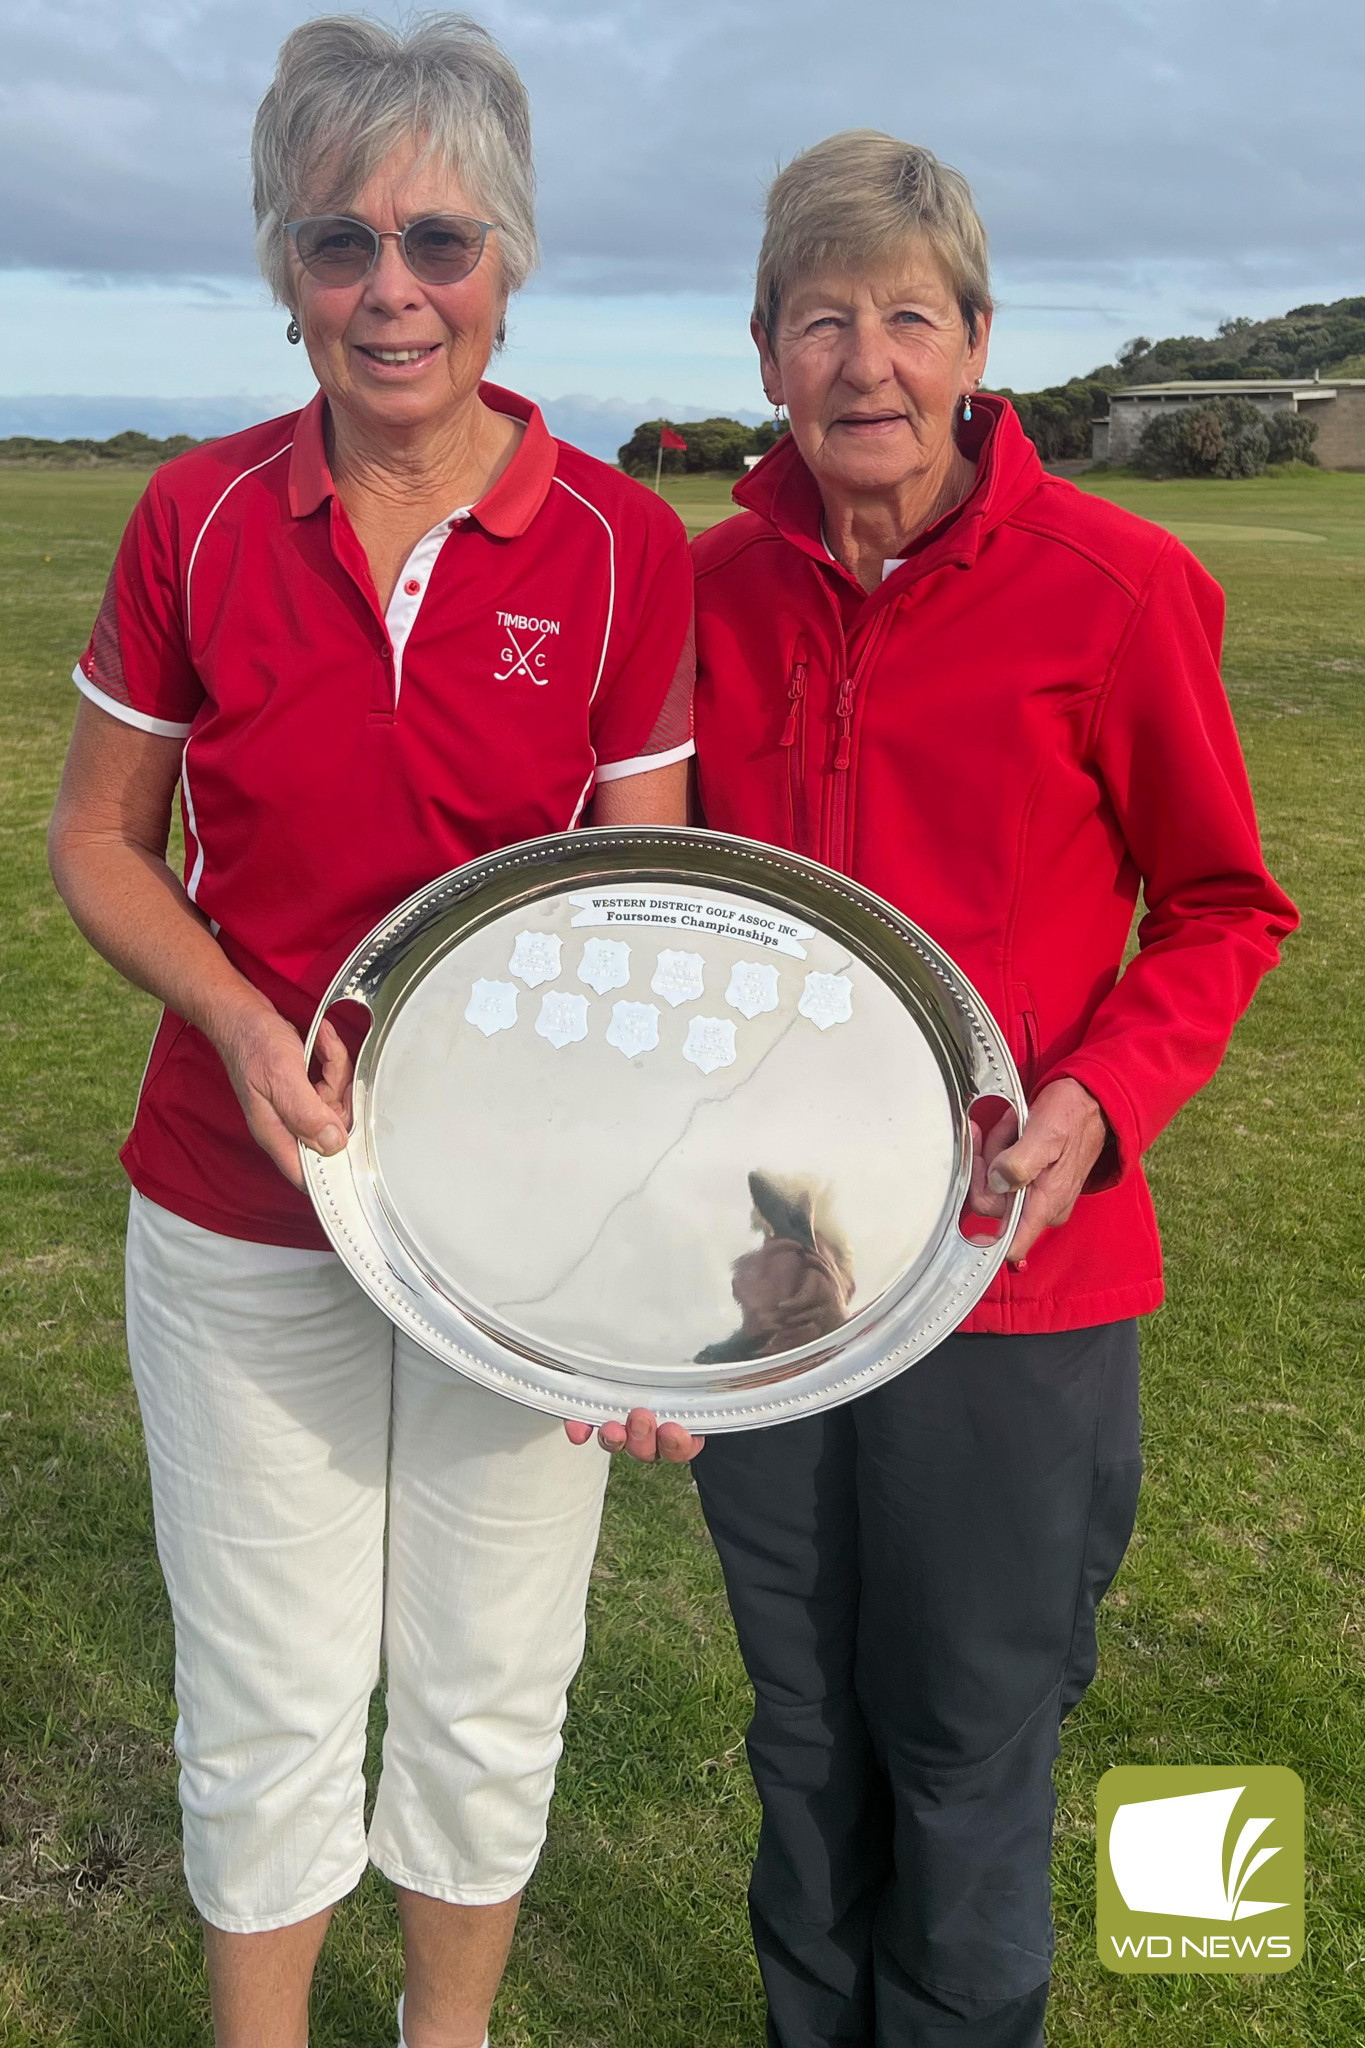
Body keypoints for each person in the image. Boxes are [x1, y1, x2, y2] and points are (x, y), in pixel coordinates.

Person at [47, 16, 698, 2048]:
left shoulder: (615, 544)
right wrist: (243, 1021)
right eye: (339, 244)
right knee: (266, 1680)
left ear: (503, 260)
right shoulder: (201, 518)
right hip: (243, 1198)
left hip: (509, 1233)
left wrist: (639, 1280)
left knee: (492, 1679)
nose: (389, 291)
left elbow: (639, 935)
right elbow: (97, 843)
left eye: (436, 240)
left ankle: (447, 2036)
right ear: (282, 265)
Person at [689, 131, 1298, 2048]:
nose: (865, 362)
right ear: (766, 354)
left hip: (1015, 1274)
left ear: (972, 345)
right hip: (768, 1275)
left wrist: (1099, 1098)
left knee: (965, 1728)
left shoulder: (1111, 588)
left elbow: (1219, 904)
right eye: (821, 320)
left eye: (907, 317)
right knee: (802, 1719)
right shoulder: (697, 593)